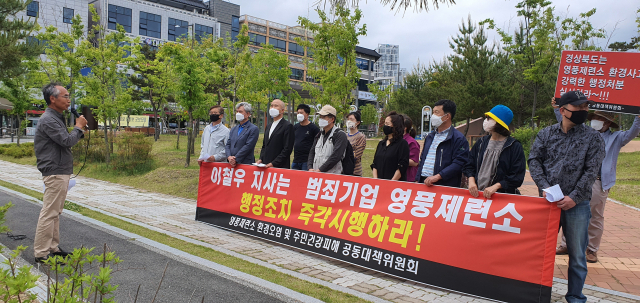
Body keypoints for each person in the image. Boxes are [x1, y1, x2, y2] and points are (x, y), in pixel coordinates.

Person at [528, 91, 605, 303]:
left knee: (578, 256)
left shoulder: (593, 138)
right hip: (547, 203)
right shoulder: (546, 134)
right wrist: (545, 188)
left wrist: (573, 197)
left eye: (585, 107)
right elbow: (534, 161)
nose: (583, 111)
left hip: (577, 206)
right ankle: (536, 293)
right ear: (563, 110)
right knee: (539, 251)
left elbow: (591, 171)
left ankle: (575, 297)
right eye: (578, 108)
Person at [553, 100, 640, 263]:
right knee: (569, 210)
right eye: (595, 118)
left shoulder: (616, 138)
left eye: (601, 119)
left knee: (595, 217)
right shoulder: (583, 133)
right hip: (577, 180)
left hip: (598, 182)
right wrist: (558, 109)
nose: (596, 121)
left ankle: (592, 249)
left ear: (608, 123)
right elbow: (563, 123)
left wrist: (638, 117)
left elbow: (633, 132)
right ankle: (566, 244)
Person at [33, 83, 88, 263]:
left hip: (60, 170)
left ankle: (52, 248)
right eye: (65, 96)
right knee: (50, 212)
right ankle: (42, 253)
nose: (68, 99)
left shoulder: (56, 118)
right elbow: (66, 141)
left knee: (55, 212)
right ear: (53, 98)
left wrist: (79, 129)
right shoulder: (48, 119)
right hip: (55, 171)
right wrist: (78, 127)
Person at [463, 105, 526, 198]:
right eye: (487, 118)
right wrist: (471, 181)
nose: (486, 121)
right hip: (477, 196)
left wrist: (497, 186)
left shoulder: (514, 146)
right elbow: (469, 164)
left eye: (490, 118)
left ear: (499, 123)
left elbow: (517, 176)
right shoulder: (481, 142)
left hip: (500, 199)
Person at [415, 99, 469, 187]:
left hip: (444, 186)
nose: (433, 116)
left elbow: (459, 163)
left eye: (436, 112)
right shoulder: (430, 137)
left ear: (447, 116)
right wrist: (417, 178)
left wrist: (438, 176)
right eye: (433, 112)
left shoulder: (458, 139)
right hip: (423, 183)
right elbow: (422, 159)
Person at [308, 105, 349, 174]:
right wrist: (310, 167)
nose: (320, 119)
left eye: (323, 117)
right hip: (316, 175)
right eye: (320, 117)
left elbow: (336, 156)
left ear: (332, 119)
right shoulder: (319, 135)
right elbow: (312, 152)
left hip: (332, 177)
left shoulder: (339, 135)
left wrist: (320, 170)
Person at [371, 111, 409, 180]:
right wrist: (375, 180)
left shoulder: (402, 144)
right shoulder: (381, 144)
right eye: (384, 123)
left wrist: (391, 182)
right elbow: (375, 164)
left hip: (395, 185)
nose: (385, 126)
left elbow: (402, 166)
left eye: (387, 123)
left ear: (395, 126)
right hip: (379, 183)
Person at [257, 99, 294, 168]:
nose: (273, 108)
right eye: (271, 106)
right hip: (265, 165)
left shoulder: (287, 126)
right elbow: (265, 145)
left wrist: (274, 163)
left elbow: (287, 149)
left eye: (276, 106)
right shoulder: (268, 126)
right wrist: (261, 159)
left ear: (282, 110)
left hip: (279, 166)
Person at [226, 102, 259, 167]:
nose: (238, 113)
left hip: (245, 163)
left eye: (240, 111)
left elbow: (248, 146)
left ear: (248, 114)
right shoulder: (234, 129)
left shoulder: (253, 129)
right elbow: (228, 144)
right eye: (237, 111)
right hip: (231, 164)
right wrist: (229, 157)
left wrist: (235, 159)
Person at [292, 104, 320, 171]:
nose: (299, 114)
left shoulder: (313, 128)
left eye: (301, 113)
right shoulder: (295, 127)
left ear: (307, 115)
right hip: (296, 160)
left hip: (306, 161)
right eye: (298, 113)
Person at [345, 111, 366, 176]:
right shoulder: (344, 136)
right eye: (348, 119)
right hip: (344, 170)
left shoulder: (361, 137)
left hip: (355, 172)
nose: (349, 121)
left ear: (357, 123)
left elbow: (356, 155)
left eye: (351, 119)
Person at [402, 115, 420, 182]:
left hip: (408, 178)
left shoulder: (412, 142)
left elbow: (414, 162)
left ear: (405, 128)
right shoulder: (394, 140)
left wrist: (396, 159)